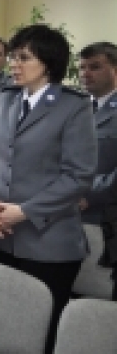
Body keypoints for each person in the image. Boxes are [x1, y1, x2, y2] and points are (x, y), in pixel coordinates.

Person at [0, 24, 97, 353]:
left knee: (39, 334)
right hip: (1, 235)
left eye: (23, 58)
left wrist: (25, 212)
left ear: (48, 63)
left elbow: (78, 176)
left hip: (49, 244)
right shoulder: (5, 99)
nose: (13, 64)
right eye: (13, 57)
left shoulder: (73, 106)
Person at [78, 41, 117, 300]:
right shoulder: (78, 107)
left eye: (95, 67)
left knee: (100, 302)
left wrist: (87, 194)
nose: (85, 73)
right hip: (69, 214)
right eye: (82, 67)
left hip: (105, 218)